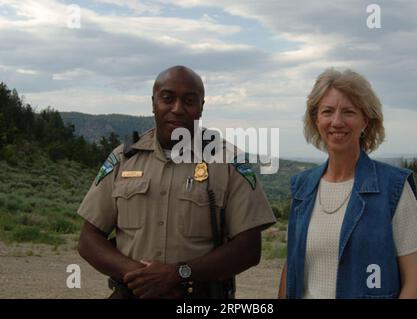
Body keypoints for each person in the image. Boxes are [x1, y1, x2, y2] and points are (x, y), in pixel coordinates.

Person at [77, 65, 276, 299]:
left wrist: (178, 273)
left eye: (189, 100)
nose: (177, 109)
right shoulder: (124, 158)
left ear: (201, 108)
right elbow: (88, 239)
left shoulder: (227, 161)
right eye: (168, 98)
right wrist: (140, 275)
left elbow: (249, 249)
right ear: (153, 103)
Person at [278, 68, 417, 299]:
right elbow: (291, 269)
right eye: (327, 111)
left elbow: (415, 282)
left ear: (365, 121)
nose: (337, 122)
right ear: (315, 119)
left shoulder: (394, 187)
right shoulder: (302, 188)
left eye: (349, 112)